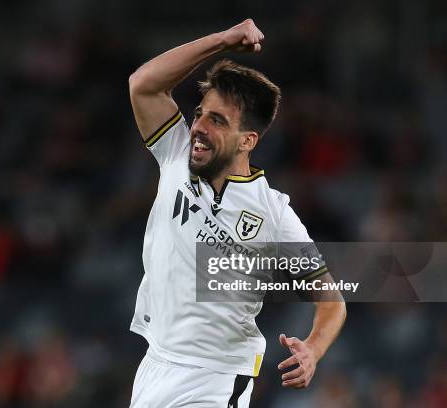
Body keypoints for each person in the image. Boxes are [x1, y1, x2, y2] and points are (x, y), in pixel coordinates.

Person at [128, 18, 347, 407]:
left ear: (248, 140)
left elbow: (330, 298)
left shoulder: (273, 213)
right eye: (199, 114)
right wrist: (222, 41)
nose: (198, 127)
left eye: (217, 121)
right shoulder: (176, 155)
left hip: (215, 375)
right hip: (155, 361)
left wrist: (313, 348)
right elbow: (143, 84)